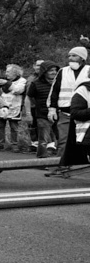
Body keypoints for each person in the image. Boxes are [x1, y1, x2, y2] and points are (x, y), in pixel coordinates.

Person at [47, 46, 90, 175]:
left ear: (82, 58)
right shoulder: (63, 71)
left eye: (74, 55)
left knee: (81, 141)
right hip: (65, 111)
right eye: (69, 55)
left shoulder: (88, 70)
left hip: (83, 112)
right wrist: (52, 108)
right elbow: (54, 90)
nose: (70, 58)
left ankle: (77, 163)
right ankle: (61, 166)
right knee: (63, 140)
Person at [27, 60, 59, 159]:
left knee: (61, 138)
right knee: (43, 140)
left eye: (55, 70)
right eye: (50, 70)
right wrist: (28, 113)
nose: (53, 72)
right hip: (42, 115)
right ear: (44, 72)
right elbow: (28, 98)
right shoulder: (35, 83)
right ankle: (42, 160)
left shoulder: (60, 83)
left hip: (59, 114)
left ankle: (59, 160)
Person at [0, 64, 27, 152]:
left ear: (15, 73)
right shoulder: (3, 81)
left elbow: (18, 90)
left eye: (8, 71)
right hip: (3, 106)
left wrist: (6, 83)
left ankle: (14, 145)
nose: (6, 73)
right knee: (0, 126)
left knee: (14, 127)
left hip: (14, 106)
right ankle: (0, 144)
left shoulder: (22, 81)